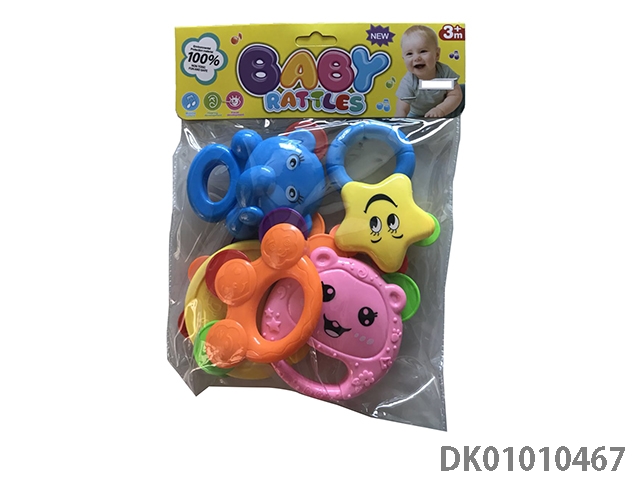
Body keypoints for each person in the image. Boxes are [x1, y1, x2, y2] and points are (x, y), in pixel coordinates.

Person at [395, 25, 463, 118]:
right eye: (409, 54)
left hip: (446, 109)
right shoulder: (409, 81)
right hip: (417, 115)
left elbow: (455, 95)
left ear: (437, 54)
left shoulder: (444, 72)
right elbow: (402, 108)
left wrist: (440, 110)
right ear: (404, 59)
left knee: (463, 90)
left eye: (423, 51)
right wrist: (400, 121)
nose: (416, 58)